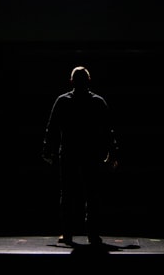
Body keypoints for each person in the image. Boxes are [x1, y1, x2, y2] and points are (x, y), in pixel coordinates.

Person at [41, 66, 120, 246]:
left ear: (71, 81)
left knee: (70, 194)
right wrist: (112, 153)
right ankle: (91, 233)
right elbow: (108, 131)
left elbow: (51, 128)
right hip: (87, 154)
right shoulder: (97, 102)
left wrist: (48, 149)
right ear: (88, 81)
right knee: (90, 194)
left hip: (71, 153)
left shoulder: (63, 101)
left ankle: (69, 233)